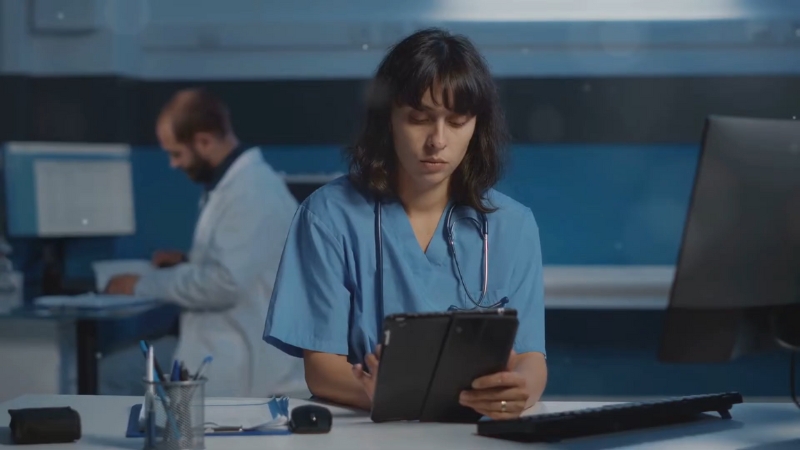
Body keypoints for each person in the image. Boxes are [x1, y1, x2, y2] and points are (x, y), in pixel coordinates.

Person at [262, 28, 547, 419]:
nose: (438, 141)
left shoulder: (512, 227)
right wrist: (390, 394)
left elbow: (530, 357)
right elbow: (322, 370)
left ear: (476, 127)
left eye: (458, 121)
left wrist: (520, 390)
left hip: (476, 435)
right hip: (368, 432)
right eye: (419, 119)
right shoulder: (329, 216)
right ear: (388, 121)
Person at [105, 88, 306, 398]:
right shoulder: (235, 185)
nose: (173, 164)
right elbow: (242, 263)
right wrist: (188, 262)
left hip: (240, 360)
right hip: (224, 342)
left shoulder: (250, 194)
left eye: (176, 153)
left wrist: (141, 284)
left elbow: (223, 284)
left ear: (204, 141)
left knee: (111, 374)